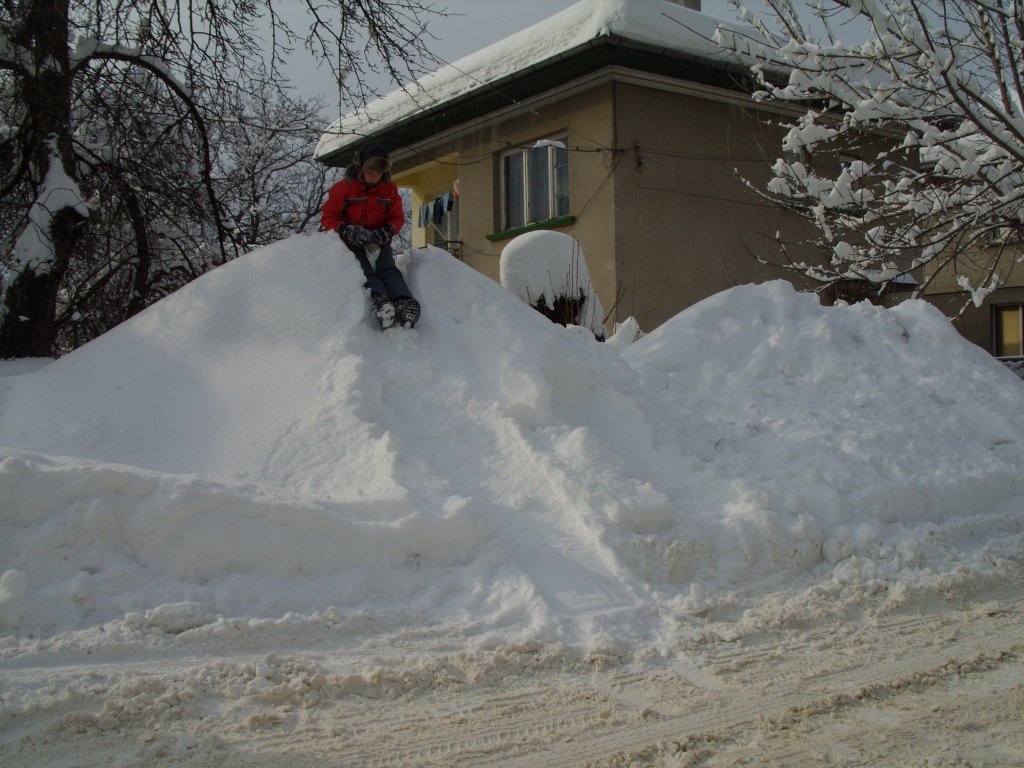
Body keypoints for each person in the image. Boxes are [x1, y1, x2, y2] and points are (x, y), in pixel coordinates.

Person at [321, 141, 420, 330]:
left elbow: (397, 217)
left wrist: (388, 230)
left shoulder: (389, 191)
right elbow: (329, 217)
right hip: (352, 242)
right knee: (365, 271)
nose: (375, 177)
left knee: (388, 269)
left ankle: (404, 302)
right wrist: (346, 230)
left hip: (378, 240)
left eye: (379, 173)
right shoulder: (343, 189)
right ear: (360, 167)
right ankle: (381, 302)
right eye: (371, 172)